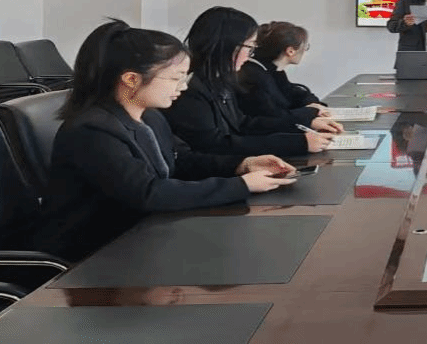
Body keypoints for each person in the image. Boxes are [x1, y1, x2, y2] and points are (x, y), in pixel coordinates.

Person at [32, 20, 299, 261]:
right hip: (92, 256)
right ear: (131, 79)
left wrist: (242, 165)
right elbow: (148, 193)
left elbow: (182, 160)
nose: (183, 86)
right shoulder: (92, 131)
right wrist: (241, 185)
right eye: (175, 78)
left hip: (141, 238)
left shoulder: (150, 116)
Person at [163, 7, 338, 158]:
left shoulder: (219, 80)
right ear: (228, 46)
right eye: (249, 47)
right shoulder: (189, 89)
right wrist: (297, 143)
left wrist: (306, 124)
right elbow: (215, 145)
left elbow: (244, 124)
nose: (250, 55)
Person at [237, 21, 333, 128]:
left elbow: (297, 94)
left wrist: (313, 106)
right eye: (305, 47)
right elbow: (274, 117)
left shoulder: (274, 71)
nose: (305, 51)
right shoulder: (254, 76)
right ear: (290, 51)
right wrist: (312, 111)